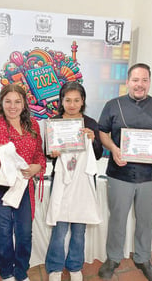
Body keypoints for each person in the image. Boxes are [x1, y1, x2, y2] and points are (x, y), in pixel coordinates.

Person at [97, 63, 152, 281]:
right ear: (128, 82)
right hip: (119, 173)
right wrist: (113, 149)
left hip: (150, 176)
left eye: (144, 80)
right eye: (135, 80)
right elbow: (102, 131)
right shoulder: (113, 105)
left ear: (149, 82)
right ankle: (113, 258)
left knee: (145, 219)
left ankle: (143, 258)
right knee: (117, 219)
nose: (139, 85)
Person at [0, 84, 46, 281]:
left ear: (24, 103)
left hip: (23, 184)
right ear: (1, 102)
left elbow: (40, 156)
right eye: (8, 101)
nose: (13, 106)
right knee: (4, 232)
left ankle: (21, 272)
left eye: (17, 101)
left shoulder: (32, 124)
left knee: (25, 233)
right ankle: (7, 272)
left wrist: (37, 167)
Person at [45, 82, 103, 281]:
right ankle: (54, 267)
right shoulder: (54, 122)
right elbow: (50, 155)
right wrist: (52, 153)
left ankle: (75, 265)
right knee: (59, 227)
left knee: (79, 227)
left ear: (83, 101)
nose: (72, 104)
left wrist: (93, 138)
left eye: (76, 100)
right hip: (61, 179)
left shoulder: (90, 123)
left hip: (84, 181)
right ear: (61, 101)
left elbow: (97, 154)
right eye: (68, 100)